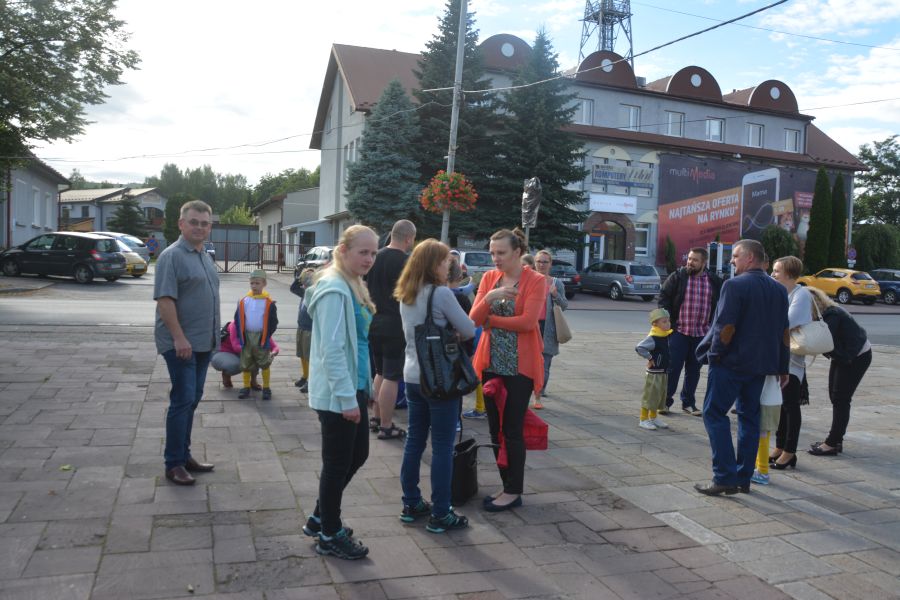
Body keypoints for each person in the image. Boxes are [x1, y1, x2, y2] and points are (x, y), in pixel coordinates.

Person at [304, 224, 378, 560]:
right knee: (337, 463)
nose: (369, 259)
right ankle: (329, 534)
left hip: (354, 386)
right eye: (363, 252)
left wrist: (368, 386)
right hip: (339, 394)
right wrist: (348, 399)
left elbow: (359, 344)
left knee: (357, 455)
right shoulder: (335, 288)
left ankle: (321, 517)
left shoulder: (351, 282)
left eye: (374, 252)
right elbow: (332, 350)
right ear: (344, 250)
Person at [694, 239, 789, 496]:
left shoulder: (734, 285)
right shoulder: (779, 290)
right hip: (760, 368)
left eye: (735, 256)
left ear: (749, 258)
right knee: (749, 419)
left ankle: (724, 477)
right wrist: (782, 367)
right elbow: (784, 332)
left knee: (714, 414)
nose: (732, 261)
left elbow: (725, 326)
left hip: (731, 364)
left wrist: (714, 355)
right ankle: (743, 477)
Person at [395, 239, 475, 533]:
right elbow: (468, 330)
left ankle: (411, 502)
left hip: (413, 376)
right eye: (444, 261)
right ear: (432, 265)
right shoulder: (440, 293)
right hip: (439, 378)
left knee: (414, 440)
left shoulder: (407, 292)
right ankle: (441, 512)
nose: (448, 265)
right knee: (442, 445)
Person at [470, 228, 545, 512]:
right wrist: (490, 297)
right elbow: (474, 320)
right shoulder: (489, 279)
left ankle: (513, 491)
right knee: (493, 429)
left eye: (500, 253)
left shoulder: (535, 280)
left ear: (517, 252)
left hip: (519, 367)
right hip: (491, 364)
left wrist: (493, 321)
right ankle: (506, 485)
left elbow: (528, 323)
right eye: (492, 253)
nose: (495, 258)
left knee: (512, 429)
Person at [154, 200, 219, 486]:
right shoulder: (172, 256)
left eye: (205, 223)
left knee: (191, 400)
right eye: (194, 222)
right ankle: (174, 463)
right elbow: (165, 300)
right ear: (181, 224)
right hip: (181, 343)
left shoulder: (204, 256)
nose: (200, 227)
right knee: (182, 401)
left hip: (204, 342)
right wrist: (179, 337)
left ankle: (184, 454)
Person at [806, 287, 872, 457]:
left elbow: (822, 341)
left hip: (856, 356)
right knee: (835, 397)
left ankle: (832, 443)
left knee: (840, 399)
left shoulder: (831, 316)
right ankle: (836, 440)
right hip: (844, 355)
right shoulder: (827, 314)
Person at [658, 247, 722, 417]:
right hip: (679, 331)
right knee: (673, 368)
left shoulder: (714, 280)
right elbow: (663, 297)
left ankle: (688, 403)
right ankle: (665, 402)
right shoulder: (678, 277)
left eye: (695, 260)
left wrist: (713, 329)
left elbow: (720, 305)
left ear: (704, 262)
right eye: (689, 258)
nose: (690, 262)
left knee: (694, 370)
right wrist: (667, 322)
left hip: (701, 334)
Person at [368, 219, 416, 440]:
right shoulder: (406, 262)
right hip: (395, 323)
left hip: (374, 321)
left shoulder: (374, 256)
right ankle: (387, 425)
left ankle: (376, 418)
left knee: (379, 372)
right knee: (392, 376)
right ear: (408, 238)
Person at [768, 256, 814, 472]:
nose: (773, 274)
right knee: (780, 405)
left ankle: (790, 451)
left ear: (789, 273)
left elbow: (788, 321)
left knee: (790, 407)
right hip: (777, 357)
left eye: (777, 271)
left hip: (793, 361)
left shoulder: (801, 293)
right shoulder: (779, 293)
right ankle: (779, 447)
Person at [449, 256, 486, 420]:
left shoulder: (425, 293)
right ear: (458, 278)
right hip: (460, 349)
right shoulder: (460, 297)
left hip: (435, 353)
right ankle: (456, 420)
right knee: (457, 385)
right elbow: (470, 328)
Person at [234, 270, 278, 401]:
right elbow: (237, 319)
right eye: (252, 283)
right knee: (246, 362)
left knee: (264, 362)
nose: (254, 286)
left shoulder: (268, 303)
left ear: (264, 283)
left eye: (257, 283)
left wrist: (267, 335)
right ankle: (246, 386)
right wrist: (240, 335)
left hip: (261, 338)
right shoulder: (244, 301)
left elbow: (273, 322)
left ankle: (266, 388)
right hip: (246, 337)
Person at [533, 249, 568, 409]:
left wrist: (555, 295)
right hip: (530, 327)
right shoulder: (529, 280)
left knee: (544, 363)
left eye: (545, 262)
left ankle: (539, 392)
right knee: (527, 361)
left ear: (550, 264)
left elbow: (564, 305)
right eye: (539, 261)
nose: (541, 264)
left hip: (548, 328)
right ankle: (530, 389)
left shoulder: (556, 283)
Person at [635, 308, 673, 431]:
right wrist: (650, 358)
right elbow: (639, 347)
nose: (667, 323)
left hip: (662, 372)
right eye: (664, 321)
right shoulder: (653, 338)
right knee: (650, 396)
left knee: (659, 396)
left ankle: (653, 417)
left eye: (668, 321)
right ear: (655, 324)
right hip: (654, 373)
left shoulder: (665, 336)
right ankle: (643, 419)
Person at [211, 320, 277, 389]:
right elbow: (236, 347)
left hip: (243, 352)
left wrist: (273, 352)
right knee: (240, 362)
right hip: (224, 352)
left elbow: (274, 346)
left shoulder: (260, 326)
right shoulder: (235, 324)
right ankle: (226, 374)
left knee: (259, 355)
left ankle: (253, 381)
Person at [290, 267, 315, 393]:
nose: (306, 282)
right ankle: (305, 376)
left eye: (309, 279)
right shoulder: (304, 292)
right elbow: (293, 288)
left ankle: (311, 381)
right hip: (301, 327)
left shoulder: (314, 293)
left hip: (310, 330)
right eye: (305, 279)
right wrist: (299, 278)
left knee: (309, 356)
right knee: (302, 355)